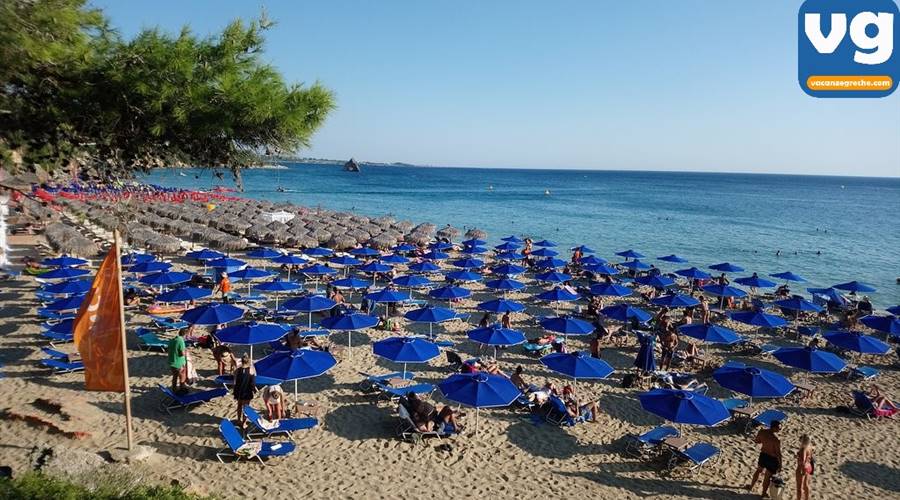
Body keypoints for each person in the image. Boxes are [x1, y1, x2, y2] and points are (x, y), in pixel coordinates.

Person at [749, 420, 782, 497]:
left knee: (758, 471)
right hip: (772, 459)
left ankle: (751, 486)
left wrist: (764, 441)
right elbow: (778, 454)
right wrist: (780, 465)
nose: (780, 430)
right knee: (767, 477)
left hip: (763, 455)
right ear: (774, 428)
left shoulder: (762, 432)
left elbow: (757, 441)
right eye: (779, 428)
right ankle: (763, 493)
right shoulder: (776, 439)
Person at [233, 354, 256, 428]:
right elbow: (252, 382)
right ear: (248, 361)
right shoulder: (251, 370)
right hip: (247, 391)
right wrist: (253, 390)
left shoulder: (237, 370)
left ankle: (238, 420)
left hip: (239, 390)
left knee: (239, 405)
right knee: (246, 408)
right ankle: (244, 422)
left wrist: (235, 390)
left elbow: (234, 382)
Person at [795, 434, 814, 500]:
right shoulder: (810, 446)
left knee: (799, 488)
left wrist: (802, 470)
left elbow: (802, 461)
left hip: (802, 468)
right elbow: (810, 458)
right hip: (809, 467)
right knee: (806, 485)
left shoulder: (803, 449)